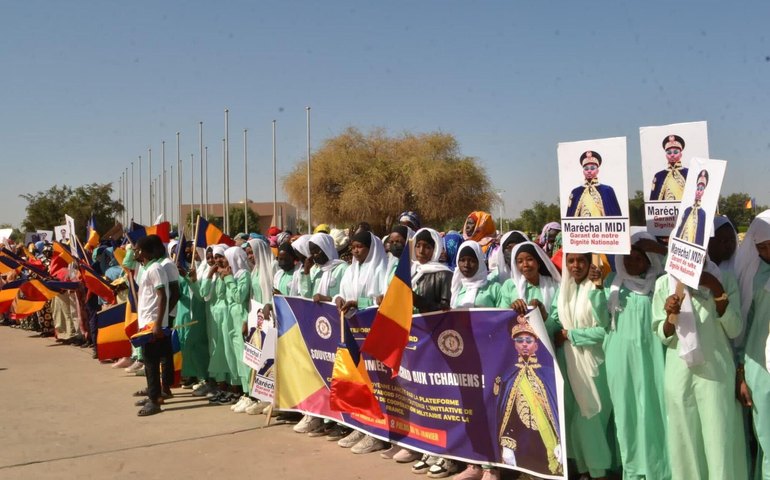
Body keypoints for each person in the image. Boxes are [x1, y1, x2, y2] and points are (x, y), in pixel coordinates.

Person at [652, 260, 748, 478]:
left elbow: (734, 329)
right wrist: (669, 315)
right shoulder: (664, 283)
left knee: (718, 439)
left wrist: (716, 289)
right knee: (685, 441)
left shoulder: (724, 279)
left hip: (716, 373)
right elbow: (662, 335)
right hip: (679, 375)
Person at [601, 231, 671, 480]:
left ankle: (659, 470)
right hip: (620, 360)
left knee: (655, 412)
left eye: (638, 257)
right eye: (627, 256)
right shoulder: (612, 283)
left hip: (655, 359)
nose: (631, 262)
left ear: (650, 259)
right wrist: (596, 289)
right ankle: (633, 471)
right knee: (627, 412)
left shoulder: (662, 283)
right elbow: (601, 320)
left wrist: (663, 249)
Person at [547, 252, 617, 479]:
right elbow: (556, 321)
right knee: (576, 420)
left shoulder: (598, 288)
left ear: (589, 263)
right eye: (571, 261)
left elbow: (604, 330)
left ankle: (599, 471)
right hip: (570, 363)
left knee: (592, 419)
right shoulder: (564, 288)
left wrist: (571, 335)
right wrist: (538, 314)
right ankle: (584, 469)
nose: (576, 266)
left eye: (581, 261)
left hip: (595, 364)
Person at [493, 318, 562, 478]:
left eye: (529, 340)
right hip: (522, 439)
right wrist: (507, 442)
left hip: (547, 438)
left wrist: (560, 439)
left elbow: (555, 409)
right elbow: (505, 414)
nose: (524, 344)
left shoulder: (548, 373)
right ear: (514, 345)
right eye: (519, 340)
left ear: (536, 345)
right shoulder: (508, 375)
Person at [735, 210, 770, 479]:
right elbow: (743, 326)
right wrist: (742, 374)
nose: (768, 251)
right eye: (762, 247)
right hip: (761, 368)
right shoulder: (753, 277)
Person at [133, 234, 170, 416]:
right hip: (146, 323)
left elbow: (162, 296)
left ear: (143, 251)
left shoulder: (155, 268)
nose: (134, 251)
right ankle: (153, 395)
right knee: (148, 362)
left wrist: (157, 324)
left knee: (151, 363)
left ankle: (154, 401)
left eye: (137, 249)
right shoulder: (147, 269)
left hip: (153, 324)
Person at [498, 242, 561, 319]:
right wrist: (512, 310)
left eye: (529, 259)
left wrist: (543, 315)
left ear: (538, 263)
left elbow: (557, 321)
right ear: (516, 266)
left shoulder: (554, 285)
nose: (525, 265)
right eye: (520, 261)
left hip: (547, 330)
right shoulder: (509, 285)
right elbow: (502, 317)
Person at [565, 151, 622, 218]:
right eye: (586, 169)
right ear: (583, 172)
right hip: (582, 227)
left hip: (601, 227)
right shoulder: (575, 192)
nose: (589, 171)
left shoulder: (607, 190)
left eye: (592, 168)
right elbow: (570, 217)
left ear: (597, 170)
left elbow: (615, 216)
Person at [450, 241, 500, 308]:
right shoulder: (455, 287)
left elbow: (503, 315)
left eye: (472, 261)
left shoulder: (494, 288)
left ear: (480, 263)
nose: (466, 265)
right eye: (462, 260)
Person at [674, 169, 709, 246]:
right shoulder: (687, 210)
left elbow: (700, 238)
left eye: (701, 189)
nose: (699, 192)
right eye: (698, 189)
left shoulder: (702, 213)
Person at [650, 134, 689, 201]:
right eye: (669, 152)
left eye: (675, 152)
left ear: (681, 154)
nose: (672, 155)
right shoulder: (659, 176)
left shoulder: (689, 173)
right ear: (666, 155)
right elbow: (653, 199)